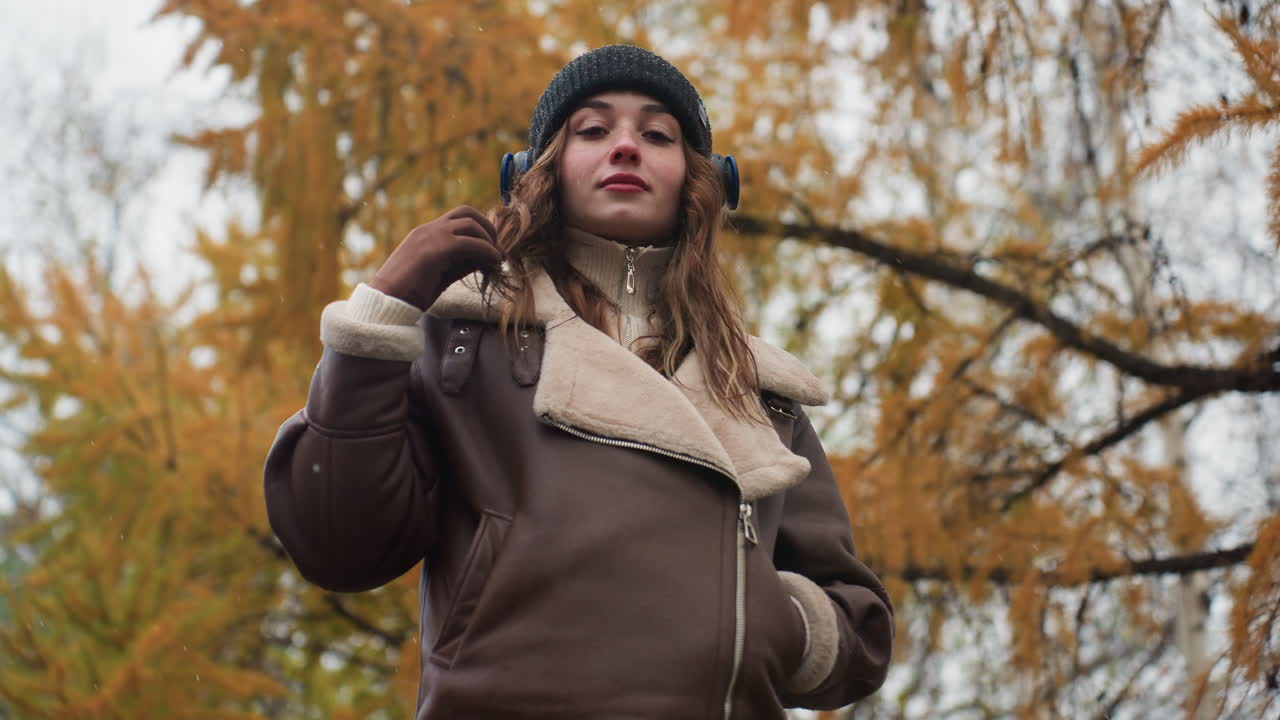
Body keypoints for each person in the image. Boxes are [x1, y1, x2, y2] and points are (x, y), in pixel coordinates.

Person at [264, 44, 893, 719]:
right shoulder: (463, 344)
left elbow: (860, 632)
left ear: (701, 181)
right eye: (593, 130)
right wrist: (376, 324)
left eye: (657, 135)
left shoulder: (759, 392)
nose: (626, 147)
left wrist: (761, 617)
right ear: (540, 172)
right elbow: (340, 544)